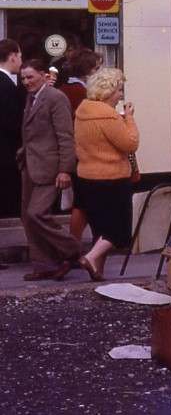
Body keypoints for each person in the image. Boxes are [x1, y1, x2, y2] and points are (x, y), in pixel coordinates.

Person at [74, 68, 139, 281]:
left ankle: (97, 271)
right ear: (109, 91)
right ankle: (90, 258)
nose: (121, 95)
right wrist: (129, 119)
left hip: (86, 177)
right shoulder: (108, 115)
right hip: (112, 178)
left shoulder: (83, 111)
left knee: (100, 228)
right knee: (119, 230)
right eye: (119, 90)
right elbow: (130, 144)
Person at [18, 59, 80, 281]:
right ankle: (45, 264)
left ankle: (73, 250)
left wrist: (65, 170)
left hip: (49, 167)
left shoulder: (56, 98)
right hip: (30, 165)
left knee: (37, 213)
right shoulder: (31, 97)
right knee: (27, 217)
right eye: (23, 78)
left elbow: (65, 136)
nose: (26, 82)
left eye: (30, 77)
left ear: (44, 75)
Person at [57, 48, 103, 242]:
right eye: (97, 68)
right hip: (84, 155)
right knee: (84, 203)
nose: (99, 72)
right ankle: (76, 246)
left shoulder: (65, 89)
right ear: (87, 70)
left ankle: (77, 246)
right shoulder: (81, 93)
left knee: (82, 203)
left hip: (77, 154)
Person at [0, 39, 26, 222]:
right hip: (6, 152)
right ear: (12, 57)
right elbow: (12, 120)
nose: (21, 61)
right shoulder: (5, 84)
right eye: (20, 56)